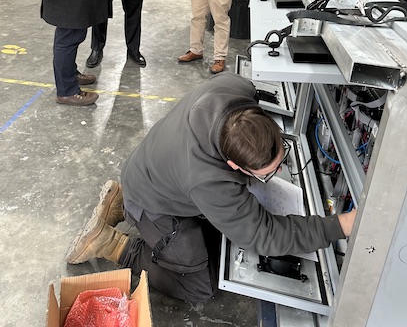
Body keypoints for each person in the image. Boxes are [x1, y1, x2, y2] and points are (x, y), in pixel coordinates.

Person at [65, 72, 356, 303]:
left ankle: (120, 201)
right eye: (267, 174)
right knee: (198, 287)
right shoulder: (209, 181)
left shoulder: (235, 88)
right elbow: (263, 235)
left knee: (213, 234)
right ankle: (113, 244)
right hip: (153, 201)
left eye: (280, 160)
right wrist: (340, 225)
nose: (278, 172)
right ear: (233, 166)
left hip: (149, 167)